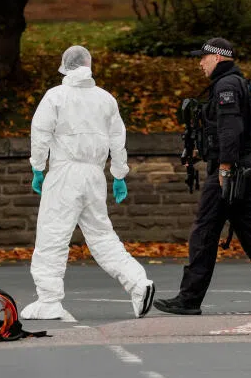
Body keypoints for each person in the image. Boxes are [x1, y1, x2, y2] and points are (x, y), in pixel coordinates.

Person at [154, 37, 251, 316]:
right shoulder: (236, 83)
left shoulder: (226, 86)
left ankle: (189, 299)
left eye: (204, 57)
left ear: (218, 58)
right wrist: (202, 152)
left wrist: (223, 167)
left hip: (231, 172)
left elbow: (230, 131)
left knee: (204, 232)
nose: (200, 63)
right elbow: (228, 131)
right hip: (241, 167)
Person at [22, 45, 155, 321]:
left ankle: (48, 300)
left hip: (65, 174)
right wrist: (119, 174)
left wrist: (37, 167)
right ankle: (138, 284)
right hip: (94, 176)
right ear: (89, 65)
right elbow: (118, 140)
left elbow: (41, 132)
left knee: (52, 235)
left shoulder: (55, 97)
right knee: (102, 236)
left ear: (65, 66)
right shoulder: (105, 99)